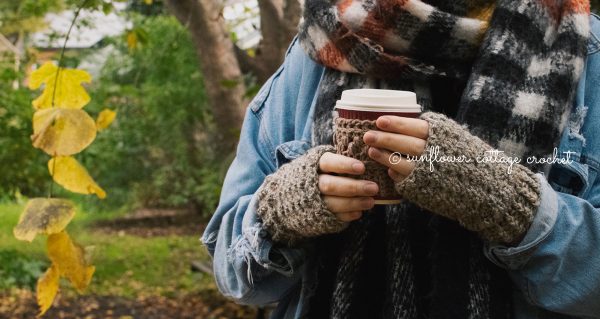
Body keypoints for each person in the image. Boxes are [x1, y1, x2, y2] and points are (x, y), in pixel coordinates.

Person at [203, 0, 600, 317]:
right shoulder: (321, 43)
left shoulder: (583, 52)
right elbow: (231, 268)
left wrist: (510, 204)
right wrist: (280, 212)